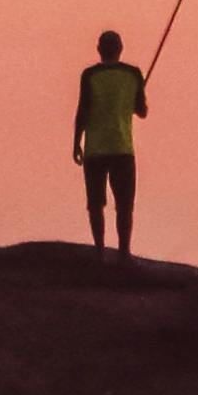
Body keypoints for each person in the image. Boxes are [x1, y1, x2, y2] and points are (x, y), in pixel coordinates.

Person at [72, 28, 147, 254]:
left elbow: (82, 111)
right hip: (123, 148)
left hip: (95, 149)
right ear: (121, 49)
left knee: (95, 204)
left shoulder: (90, 75)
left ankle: (99, 252)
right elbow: (141, 111)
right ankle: (124, 252)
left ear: (99, 49)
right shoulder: (133, 74)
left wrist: (76, 142)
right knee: (124, 205)